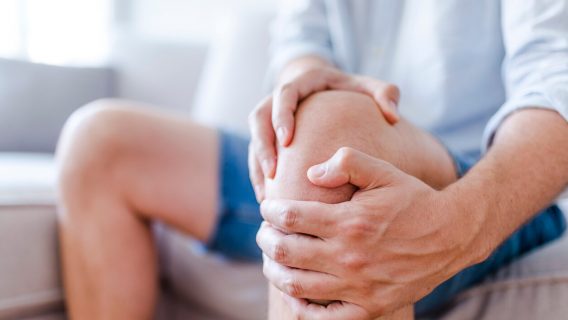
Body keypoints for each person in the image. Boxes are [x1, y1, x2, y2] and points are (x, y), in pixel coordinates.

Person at [55, 2, 567, 320]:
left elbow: (557, 85)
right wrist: (305, 79)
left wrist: (457, 224)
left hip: (483, 173)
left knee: (331, 147)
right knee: (97, 142)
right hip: (321, 149)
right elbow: (301, 43)